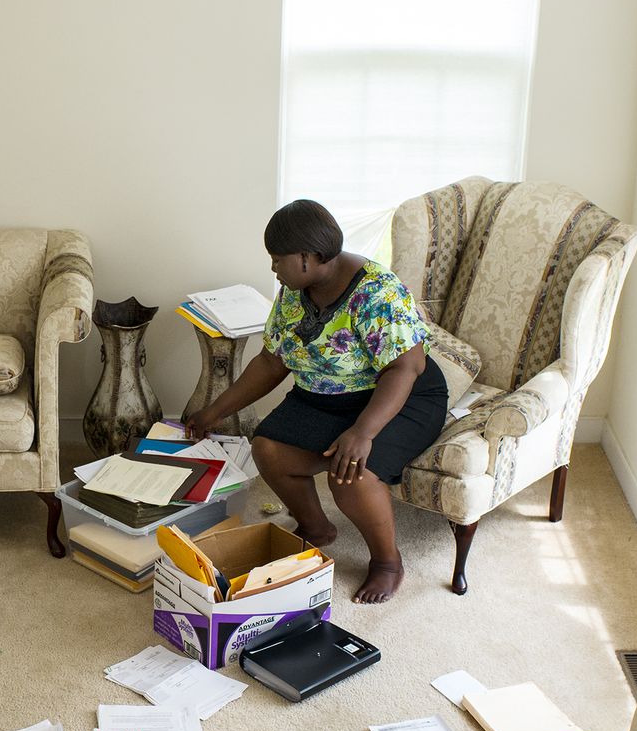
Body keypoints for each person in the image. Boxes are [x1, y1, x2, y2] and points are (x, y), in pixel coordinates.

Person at [186, 199, 447, 604]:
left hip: (399, 395)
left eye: (277, 259)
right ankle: (317, 528)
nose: (273, 268)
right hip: (326, 393)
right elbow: (272, 361)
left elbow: (405, 368)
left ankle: (387, 562)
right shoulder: (295, 292)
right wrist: (214, 411)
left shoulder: (377, 291)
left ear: (307, 257)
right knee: (268, 449)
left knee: (351, 476)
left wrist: (362, 433)